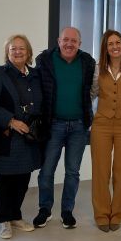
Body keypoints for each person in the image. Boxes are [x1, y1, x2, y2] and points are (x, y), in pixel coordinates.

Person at [34, 27, 96, 229]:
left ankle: (67, 211)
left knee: (72, 172)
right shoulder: (44, 60)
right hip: (53, 124)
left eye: (74, 41)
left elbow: (92, 90)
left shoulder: (87, 62)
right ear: (58, 41)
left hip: (79, 126)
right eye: (66, 40)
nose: (69, 44)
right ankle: (45, 209)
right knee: (46, 171)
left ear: (79, 44)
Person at [0, 34, 42, 239]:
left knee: (23, 179)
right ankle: (4, 221)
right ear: (7, 53)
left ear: (28, 52)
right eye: (13, 48)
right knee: (4, 181)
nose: (17, 52)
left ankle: (16, 216)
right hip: (7, 135)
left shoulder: (35, 75)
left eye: (21, 48)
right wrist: (11, 121)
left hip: (29, 137)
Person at [89, 30, 121, 232]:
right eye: (110, 44)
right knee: (101, 171)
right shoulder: (97, 68)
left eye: (118, 42)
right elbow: (91, 93)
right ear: (105, 47)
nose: (115, 46)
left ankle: (117, 213)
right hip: (101, 123)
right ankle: (101, 214)